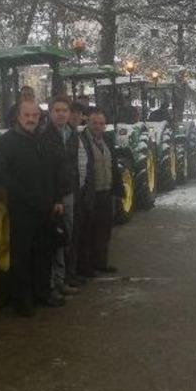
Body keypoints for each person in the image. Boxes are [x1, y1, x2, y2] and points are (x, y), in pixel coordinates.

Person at [0, 100, 65, 316]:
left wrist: (57, 199)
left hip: (46, 208)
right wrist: (23, 196)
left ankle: (42, 293)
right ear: (18, 116)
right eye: (27, 115)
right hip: (21, 209)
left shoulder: (42, 141)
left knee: (43, 253)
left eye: (34, 115)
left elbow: (53, 172)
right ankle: (23, 301)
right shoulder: (8, 142)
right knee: (22, 256)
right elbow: (1, 174)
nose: (31, 119)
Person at [40, 95, 81, 296]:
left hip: (69, 193)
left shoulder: (72, 134)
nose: (61, 114)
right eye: (57, 110)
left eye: (64, 110)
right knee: (54, 240)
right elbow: (46, 172)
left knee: (66, 238)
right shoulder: (44, 136)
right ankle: (52, 284)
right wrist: (55, 199)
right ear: (50, 113)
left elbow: (72, 166)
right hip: (53, 198)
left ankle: (63, 279)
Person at [77, 109, 123, 279]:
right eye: (95, 123)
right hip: (90, 194)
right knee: (88, 230)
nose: (98, 126)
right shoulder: (81, 141)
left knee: (104, 230)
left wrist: (117, 189)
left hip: (106, 191)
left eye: (101, 124)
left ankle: (101, 263)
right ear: (88, 123)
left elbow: (113, 164)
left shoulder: (107, 140)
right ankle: (87, 267)